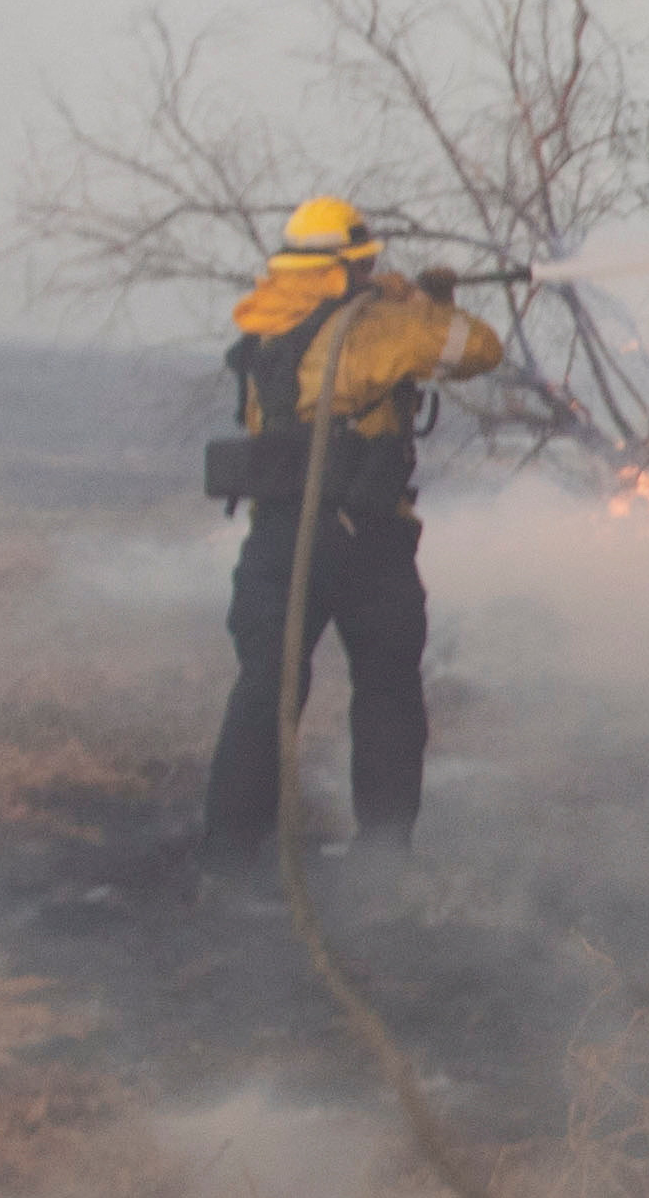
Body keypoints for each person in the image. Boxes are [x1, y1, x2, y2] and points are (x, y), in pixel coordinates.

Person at [201, 194, 502, 881]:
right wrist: (422, 302)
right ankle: (383, 862)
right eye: (365, 266)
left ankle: (226, 868)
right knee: (388, 691)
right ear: (348, 266)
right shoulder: (379, 329)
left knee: (265, 691)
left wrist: (400, 300)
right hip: (365, 538)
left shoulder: (268, 324)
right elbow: (479, 348)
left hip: (278, 539)